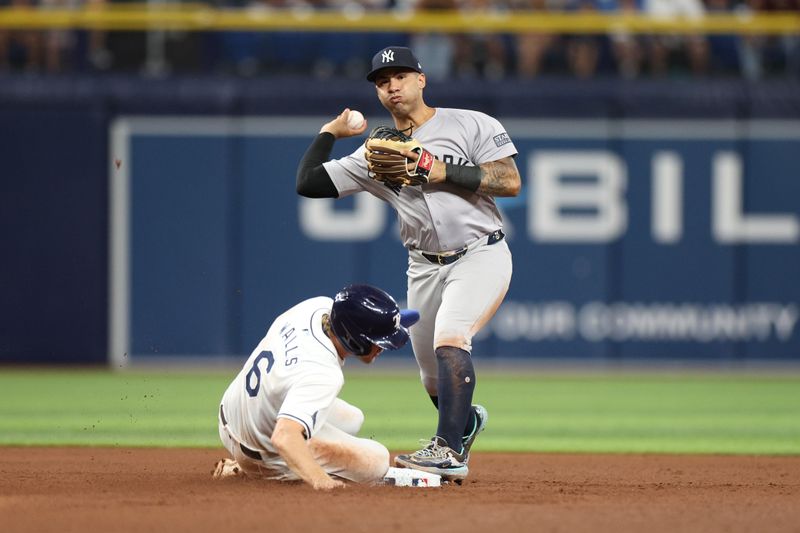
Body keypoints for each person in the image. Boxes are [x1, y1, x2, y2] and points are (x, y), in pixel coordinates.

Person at [295, 46, 521, 482]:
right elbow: (309, 183)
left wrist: (441, 171)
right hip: (423, 266)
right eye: (382, 81)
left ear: (421, 79)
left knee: (451, 340)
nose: (391, 86)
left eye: (399, 76)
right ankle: (465, 423)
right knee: (432, 380)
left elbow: (509, 181)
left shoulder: (471, 123)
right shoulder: (375, 153)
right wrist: (329, 132)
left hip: (480, 252)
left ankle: (448, 451)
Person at [214, 284, 425, 490]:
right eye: (378, 340)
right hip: (259, 451)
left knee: (353, 418)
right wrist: (321, 480)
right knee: (377, 460)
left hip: (233, 413)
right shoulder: (323, 373)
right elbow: (285, 436)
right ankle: (254, 469)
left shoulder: (315, 308)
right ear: (354, 339)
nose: (382, 347)